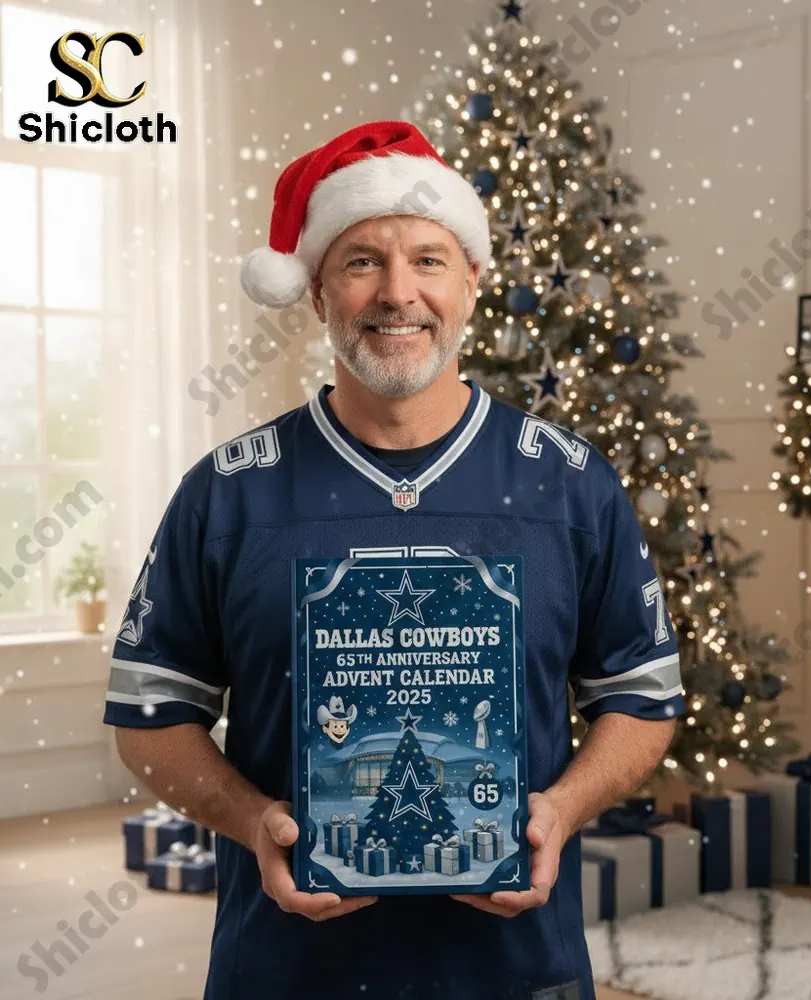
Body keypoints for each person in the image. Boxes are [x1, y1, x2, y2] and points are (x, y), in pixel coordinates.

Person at [105, 120, 683, 1000]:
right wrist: (252, 820)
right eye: (362, 261)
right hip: (287, 973)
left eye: (428, 259)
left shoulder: (569, 486)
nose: (397, 293)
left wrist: (561, 811)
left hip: (519, 972)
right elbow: (147, 715)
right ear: (317, 294)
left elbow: (642, 695)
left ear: (474, 284)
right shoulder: (227, 493)